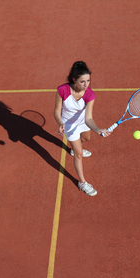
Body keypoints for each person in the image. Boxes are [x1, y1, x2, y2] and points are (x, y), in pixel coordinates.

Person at [54, 61, 110, 196]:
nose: (86, 85)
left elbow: (88, 118)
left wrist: (97, 129)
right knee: (79, 154)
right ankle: (82, 182)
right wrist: (60, 123)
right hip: (68, 124)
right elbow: (56, 111)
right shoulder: (62, 90)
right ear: (74, 80)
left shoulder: (90, 94)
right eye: (82, 81)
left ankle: (74, 149)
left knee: (86, 138)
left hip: (83, 122)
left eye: (88, 80)